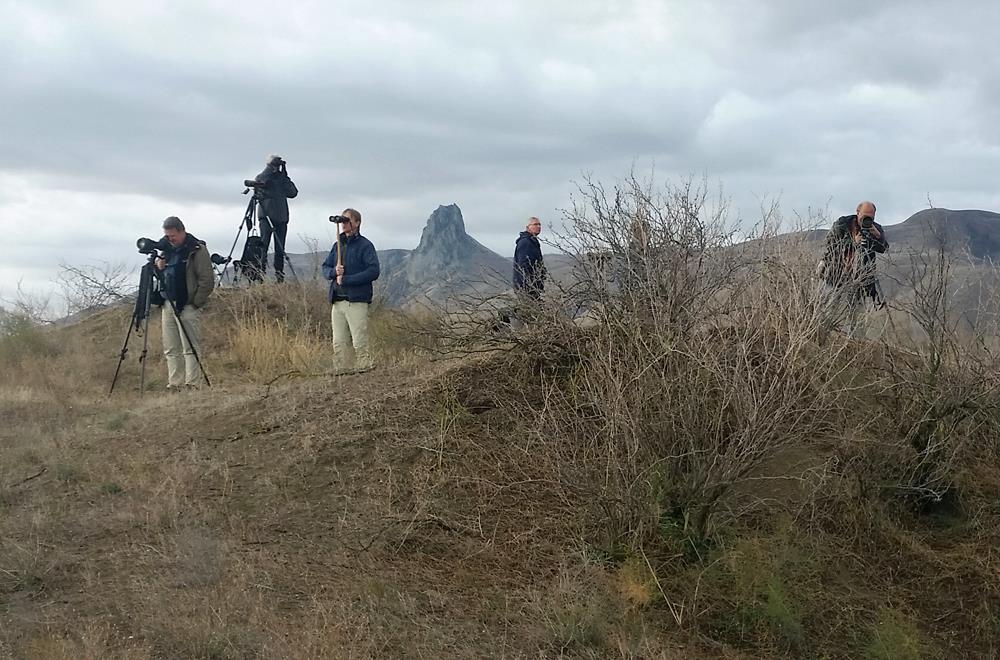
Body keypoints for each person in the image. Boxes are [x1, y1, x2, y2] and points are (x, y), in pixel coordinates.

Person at [153, 216, 214, 388]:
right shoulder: (166, 250)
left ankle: (192, 383)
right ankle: (175, 384)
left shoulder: (196, 249)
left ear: (182, 231)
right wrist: (159, 267)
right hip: (168, 303)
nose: (170, 239)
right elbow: (161, 277)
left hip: (187, 304)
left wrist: (195, 303)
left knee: (190, 347)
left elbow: (207, 279)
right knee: (171, 348)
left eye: (173, 236)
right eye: (167, 236)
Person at [321, 208, 380, 373]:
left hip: (356, 301)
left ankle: (365, 370)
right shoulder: (337, 245)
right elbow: (325, 267)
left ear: (357, 223)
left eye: (346, 220)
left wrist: (348, 279)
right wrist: (334, 272)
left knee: (359, 341)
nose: (342, 224)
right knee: (338, 342)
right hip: (337, 301)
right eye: (342, 221)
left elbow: (373, 271)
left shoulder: (365, 246)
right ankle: (340, 373)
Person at [819, 200, 889, 335]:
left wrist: (877, 235)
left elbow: (883, 248)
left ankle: (855, 339)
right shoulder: (843, 223)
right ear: (857, 212)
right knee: (831, 305)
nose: (867, 219)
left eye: (871, 216)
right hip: (837, 272)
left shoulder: (875, 228)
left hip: (861, 276)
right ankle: (823, 333)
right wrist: (852, 242)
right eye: (865, 216)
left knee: (856, 310)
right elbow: (831, 243)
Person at [254, 154, 299, 282]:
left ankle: (279, 277)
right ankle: (261, 276)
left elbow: (293, 193)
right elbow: (259, 187)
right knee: (264, 247)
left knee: (279, 249)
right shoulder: (262, 177)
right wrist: (272, 171)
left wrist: (284, 176)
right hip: (268, 216)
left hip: (279, 217)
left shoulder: (281, 179)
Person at [513, 216, 546, 298]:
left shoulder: (532, 242)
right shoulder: (526, 242)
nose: (538, 227)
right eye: (535, 224)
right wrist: (530, 284)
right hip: (527, 288)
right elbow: (524, 265)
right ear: (528, 227)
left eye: (539, 224)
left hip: (533, 286)